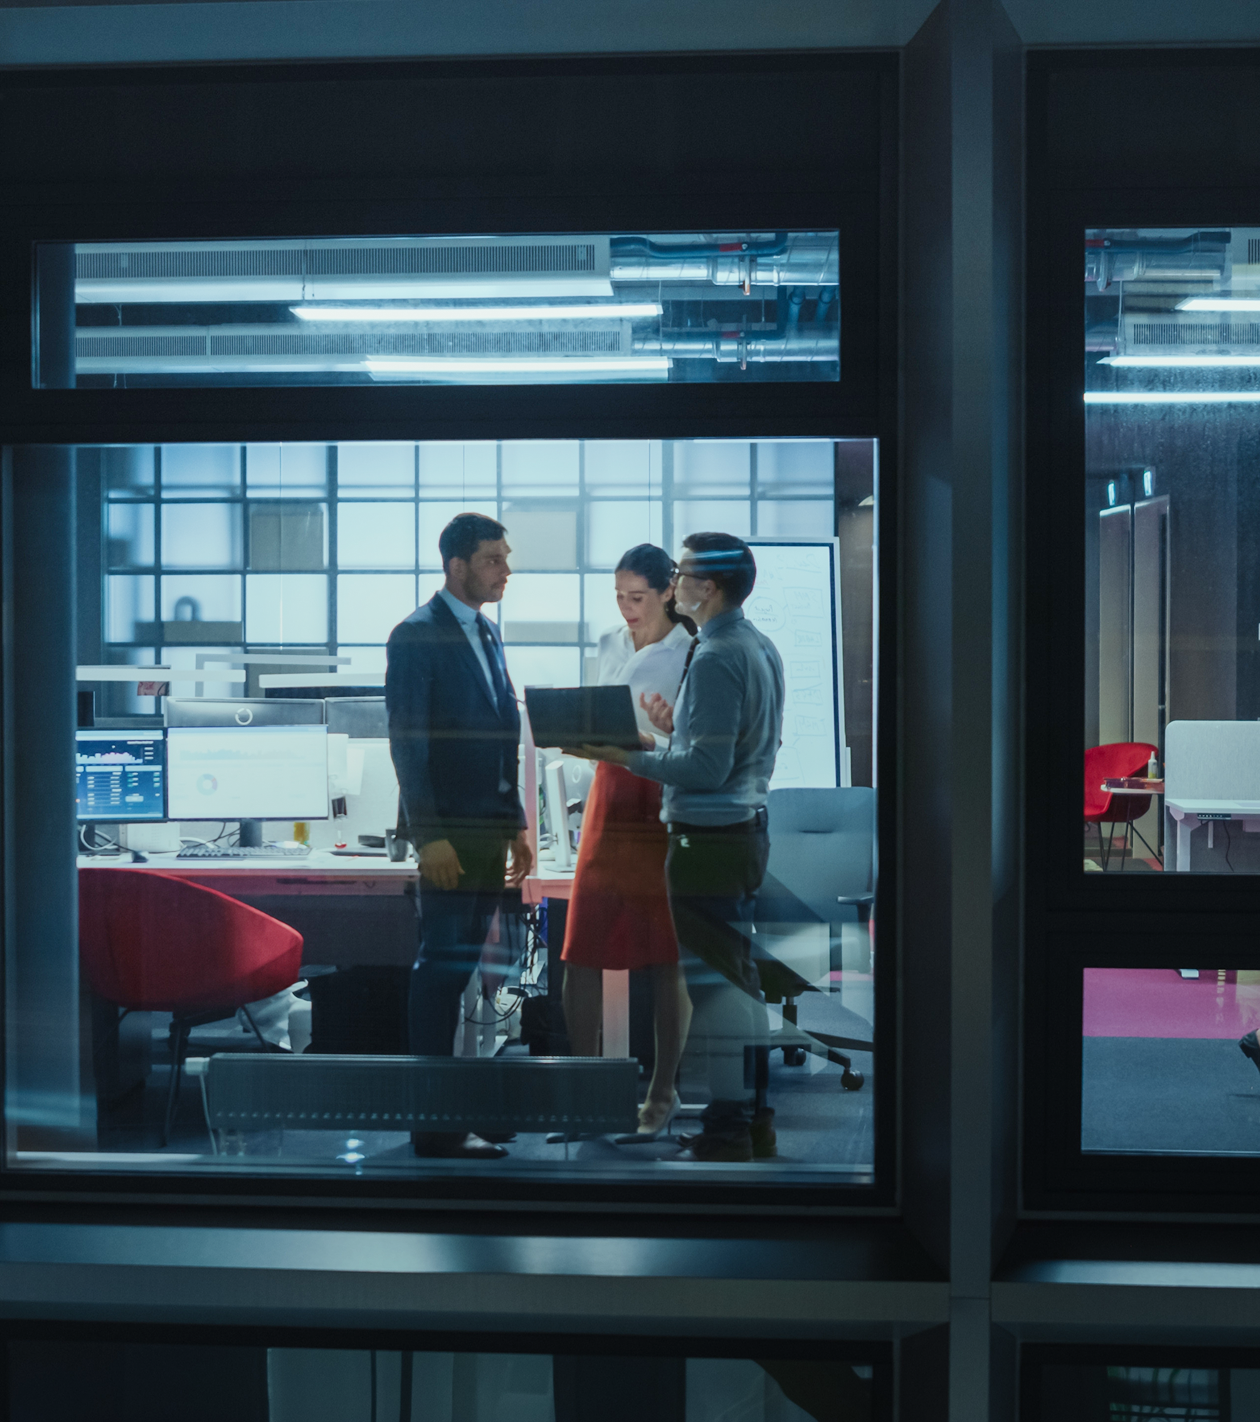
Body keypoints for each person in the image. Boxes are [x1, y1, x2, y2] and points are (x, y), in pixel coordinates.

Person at [581, 533, 785, 1163]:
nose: (676, 582)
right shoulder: (754, 644)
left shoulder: (718, 653)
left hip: (710, 839)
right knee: (738, 986)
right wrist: (675, 728)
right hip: (743, 831)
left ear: (710, 587)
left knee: (720, 991)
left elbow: (705, 769)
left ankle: (726, 1131)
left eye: (685, 573)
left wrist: (629, 753)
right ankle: (749, 1120)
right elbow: (734, 745)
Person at [386, 512, 533, 1161]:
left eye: (505, 557)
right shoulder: (416, 635)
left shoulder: (489, 633)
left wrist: (519, 824)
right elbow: (409, 745)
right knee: (439, 977)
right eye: (493, 559)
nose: (506, 570)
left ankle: (454, 1114)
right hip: (449, 837)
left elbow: (504, 733)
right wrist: (429, 838)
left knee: (464, 975)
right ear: (457, 565)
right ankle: (433, 1126)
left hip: (487, 834)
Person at [559, 544, 695, 1138]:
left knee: (665, 954)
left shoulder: (693, 651)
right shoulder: (610, 642)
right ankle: (586, 1094)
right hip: (609, 795)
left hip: (661, 800)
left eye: (637, 597)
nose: (626, 608)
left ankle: (663, 1094)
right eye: (619, 596)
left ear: (669, 591)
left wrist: (651, 739)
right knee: (579, 947)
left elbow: (697, 747)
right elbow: (597, 712)